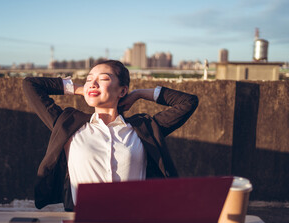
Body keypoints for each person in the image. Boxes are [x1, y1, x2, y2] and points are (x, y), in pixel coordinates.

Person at [23, 60, 198, 211]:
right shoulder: (68, 124)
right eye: (89, 79)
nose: (93, 83)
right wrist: (78, 89)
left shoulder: (144, 128)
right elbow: (30, 84)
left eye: (104, 78)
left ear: (122, 91)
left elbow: (188, 102)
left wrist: (138, 94)